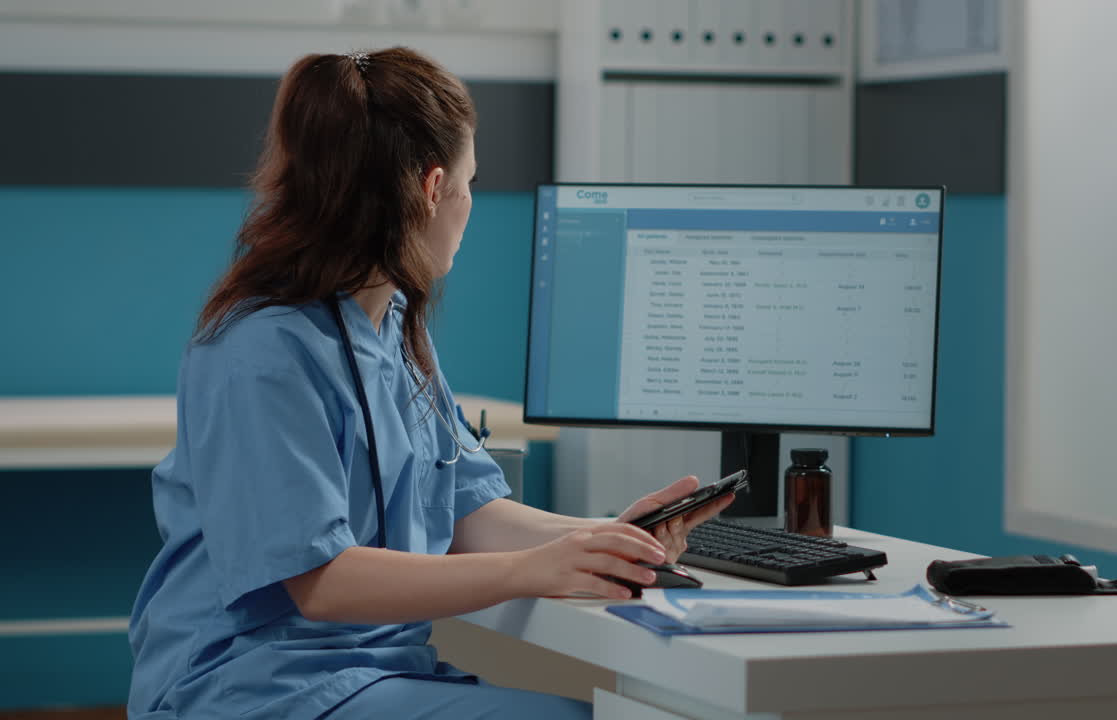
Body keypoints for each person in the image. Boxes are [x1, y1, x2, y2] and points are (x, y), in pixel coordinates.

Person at [127, 47, 734, 720]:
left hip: (366, 672)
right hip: (254, 688)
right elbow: (321, 582)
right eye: (471, 182)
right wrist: (534, 569)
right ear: (433, 187)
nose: (470, 202)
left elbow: (465, 512)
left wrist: (605, 537)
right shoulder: (259, 352)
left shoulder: (390, 324)